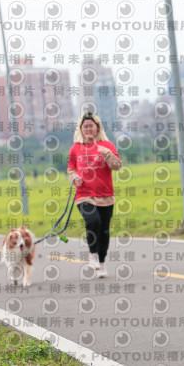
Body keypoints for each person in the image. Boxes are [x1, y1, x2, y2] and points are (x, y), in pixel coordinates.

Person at [67, 112, 122, 278]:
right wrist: (74, 177)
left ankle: (102, 264)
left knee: (104, 230)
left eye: (91, 125)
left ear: (97, 127)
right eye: (85, 126)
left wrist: (106, 153)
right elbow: (71, 169)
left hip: (105, 195)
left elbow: (117, 165)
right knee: (93, 221)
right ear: (80, 129)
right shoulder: (75, 148)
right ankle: (93, 255)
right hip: (84, 195)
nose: (88, 129)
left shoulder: (107, 145)